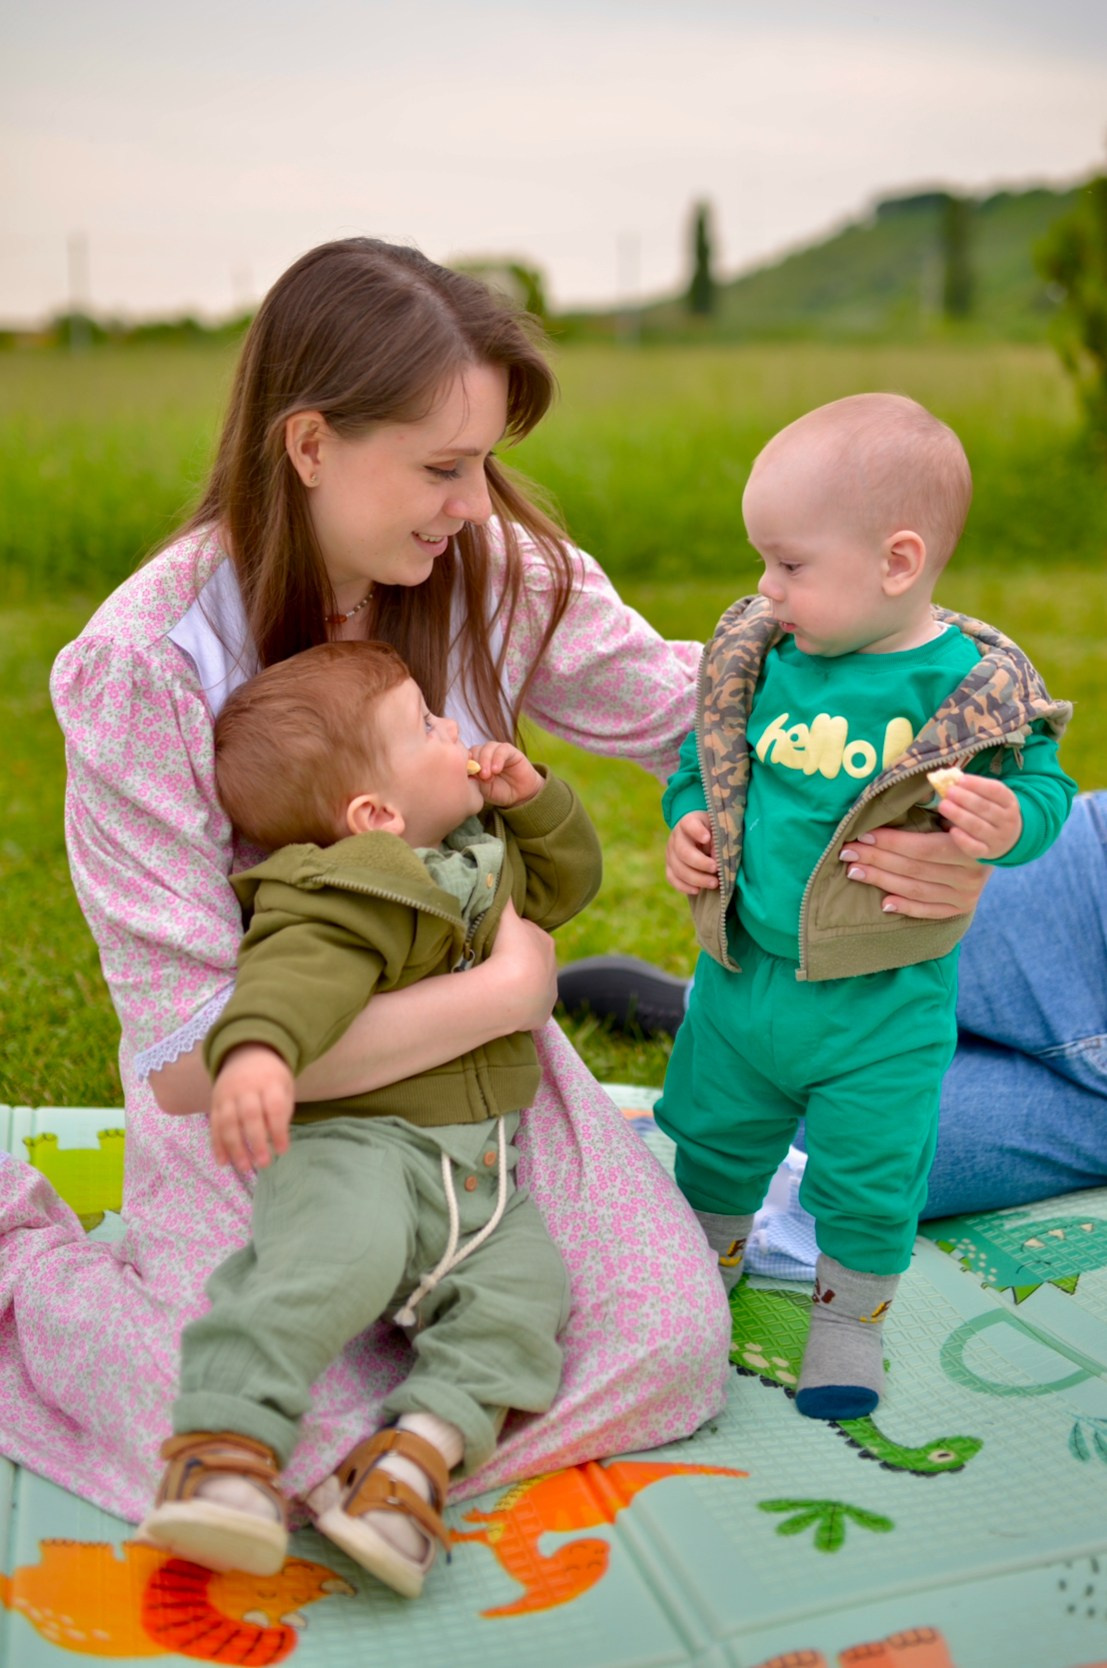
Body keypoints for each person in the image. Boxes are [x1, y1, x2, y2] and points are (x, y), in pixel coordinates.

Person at [0, 240, 986, 1522]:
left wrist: (932, 828)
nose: (474, 502)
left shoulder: (497, 572)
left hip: (485, 1097)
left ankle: (392, 1464)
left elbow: (714, 720)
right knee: (255, 1420)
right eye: (441, 467)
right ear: (310, 445)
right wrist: (509, 991)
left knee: (670, 1346)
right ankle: (28, 1264)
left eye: (484, 463)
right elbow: (191, 1057)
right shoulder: (144, 666)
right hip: (268, 1102)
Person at [140, 639, 600, 1594]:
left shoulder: (478, 859)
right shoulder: (344, 889)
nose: (454, 729)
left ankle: (411, 1459)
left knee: (526, 1304)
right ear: (376, 816)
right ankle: (222, 1450)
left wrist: (531, 802)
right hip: (360, 1148)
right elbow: (290, 978)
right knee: (328, 1265)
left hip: (479, 1176)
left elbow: (567, 887)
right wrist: (259, 1051)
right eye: (427, 725)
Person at [652, 393, 1076, 1421]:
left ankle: (846, 1323)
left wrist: (1007, 822)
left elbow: (1045, 787)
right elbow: (703, 763)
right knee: (712, 1139)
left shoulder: (967, 690)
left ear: (897, 563)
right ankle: (699, 1272)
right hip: (744, 980)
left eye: (790, 564)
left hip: (881, 1005)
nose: (766, 586)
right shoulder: (764, 662)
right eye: (763, 561)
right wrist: (688, 819)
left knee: (871, 1175)